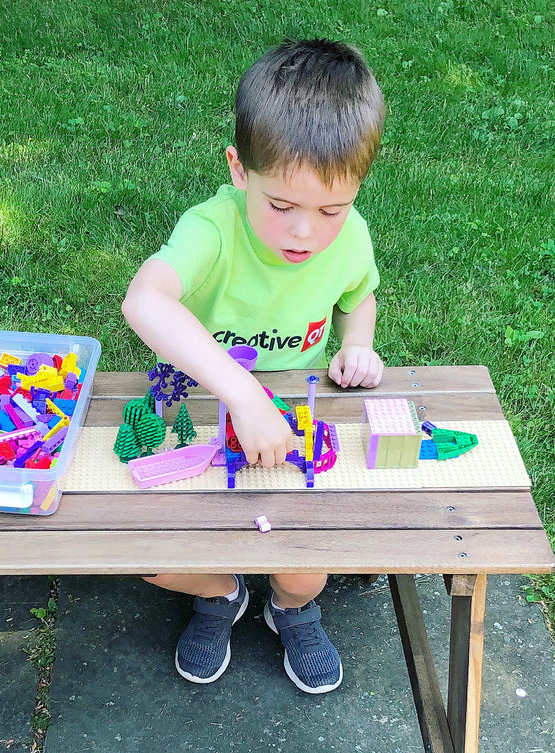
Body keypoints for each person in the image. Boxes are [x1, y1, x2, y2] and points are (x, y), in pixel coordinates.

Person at [121, 38, 386, 694]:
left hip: (295, 407)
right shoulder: (210, 230)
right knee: (152, 557)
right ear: (240, 170)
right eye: (282, 206)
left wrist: (359, 343)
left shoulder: (349, 238)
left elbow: (362, 297)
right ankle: (219, 592)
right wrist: (240, 392)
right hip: (188, 397)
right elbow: (144, 299)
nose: (306, 233)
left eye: (331, 209)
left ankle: (291, 607)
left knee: (306, 558)